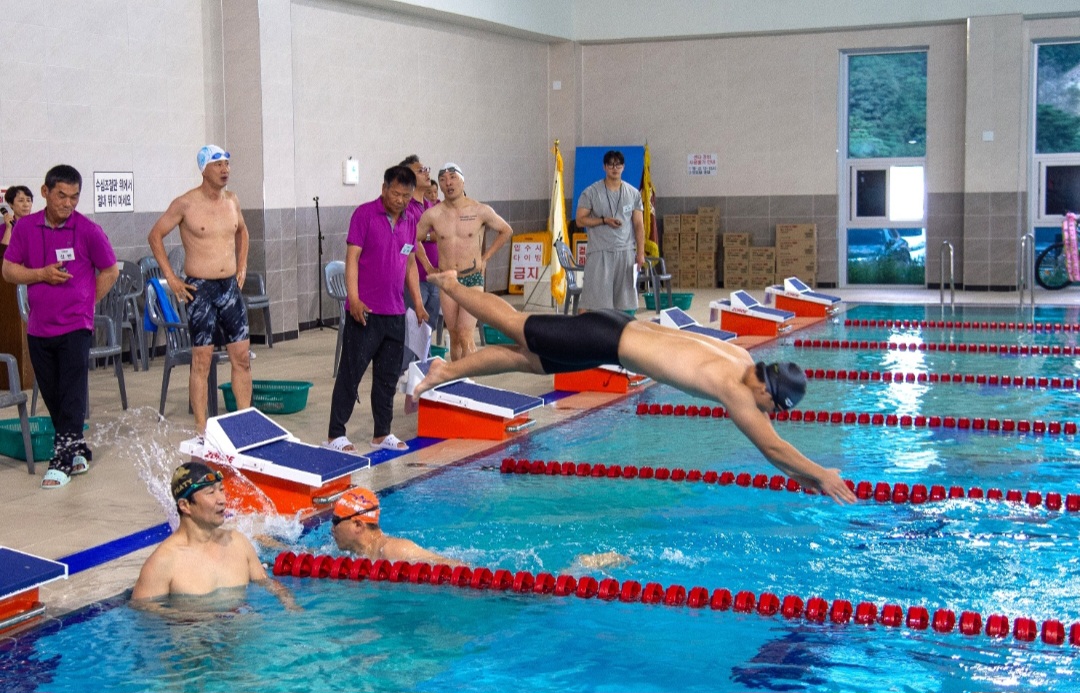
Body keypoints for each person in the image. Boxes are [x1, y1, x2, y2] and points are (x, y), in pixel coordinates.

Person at [414, 271, 857, 505]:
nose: (770, 417)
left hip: (617, 332)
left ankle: (443, 372)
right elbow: (774, 450)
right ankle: (453, 285)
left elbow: (777, 452)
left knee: (528, 361)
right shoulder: (735, 390)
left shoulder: (741, 359)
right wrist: (822, 473)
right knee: (514, 325)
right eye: (774, 409)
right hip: (605, 339)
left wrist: (809, 479)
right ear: (767, 393)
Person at [2, 165, 119, 489]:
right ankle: (78, 448)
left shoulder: (87, 230)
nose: (68, 203)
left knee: (71, 393)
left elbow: (110, 271)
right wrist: (41, 275)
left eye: (74, 197)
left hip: (75, 327)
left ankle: (62, 460)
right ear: (45, 192)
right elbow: (10, 270)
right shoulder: (26, 228)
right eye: (61, 196)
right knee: (53, 394)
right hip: (39, 328)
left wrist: (85, 302)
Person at [147, 145, 252, 433]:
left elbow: (243, 231)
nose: (225, 170)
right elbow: (155, 235)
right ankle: (200, 426)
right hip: (200, 289)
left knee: (242, 355)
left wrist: (241, 266)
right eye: (218, 164)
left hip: (229, 287)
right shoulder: (185, 204)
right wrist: (172, 278)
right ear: (204, 169)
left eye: (227, 164)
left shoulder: (233, 201)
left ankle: (244, 421)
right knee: (202, 359)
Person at [326, 165, 427, 453]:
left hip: (395, 312)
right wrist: (353, 299)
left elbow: (409, 263)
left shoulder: (410, 222)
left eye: (406, 195)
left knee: (388, 377)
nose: (401, 200)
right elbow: (353, 257)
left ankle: (382, 434)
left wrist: (417, 303)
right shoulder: (365, 214)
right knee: (351, 373)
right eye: (396, 193)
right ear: (384, 189)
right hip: (365, 311)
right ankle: (335, 435)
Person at [131, 461, 299, 609]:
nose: (222, 500)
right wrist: (201, 619)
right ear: (185, 505)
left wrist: (289, 603)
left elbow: (266, 581)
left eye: (221, 490)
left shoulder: (237, 542)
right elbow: (145, 611)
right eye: (211, 493)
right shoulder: (163, 562)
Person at [414, 163, 513, 361]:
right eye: (443, 179)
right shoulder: (433, 214)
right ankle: (459, 381)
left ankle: (470, 383)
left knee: (466, 333)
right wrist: (427, 266)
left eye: (453, 178)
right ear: (439, 186)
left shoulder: (480, 210)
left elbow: (506, 231)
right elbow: (412, 238)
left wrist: (485, 258)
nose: (448, 182)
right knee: (454, 334)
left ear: (462, 181)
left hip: (472, 277)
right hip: (447, 280)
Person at [574, 150, 646, 313]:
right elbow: (580, 220)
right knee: (592, 299)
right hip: (600, 252)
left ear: (623, 167)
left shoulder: (633, 193)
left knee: (625, 300)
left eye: (618, 164)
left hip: (625, 252)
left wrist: (640, 253)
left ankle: (621, 333)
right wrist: (603, 220)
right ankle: (583, 332)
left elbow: (639, 225)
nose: (615, 168)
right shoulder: (591, 192)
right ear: (604, 167)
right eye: (611, 164)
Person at [330, 487, 465, 566]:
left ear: (358, 525)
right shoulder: (353, 554)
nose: (332, 528)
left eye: (336, 521)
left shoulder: (393, 550)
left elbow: (453, 565)